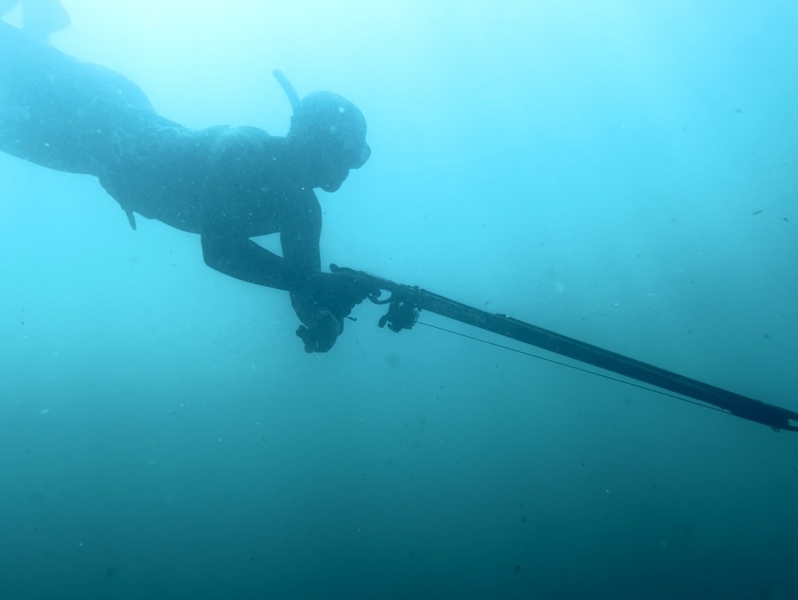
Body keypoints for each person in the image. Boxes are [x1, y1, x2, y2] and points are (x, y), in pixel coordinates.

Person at [0, 19, 376, 352]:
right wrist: (318, 286)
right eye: (349, 151)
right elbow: (220, 251)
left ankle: (36, 28)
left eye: (359, 155)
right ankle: (37, 23)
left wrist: (324, 318)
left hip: (104, 138)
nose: (351, 166)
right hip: (101, 122)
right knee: (19, 63)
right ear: (316, 139)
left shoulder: (303, 209)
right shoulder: (246, 150)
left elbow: (305, 287)